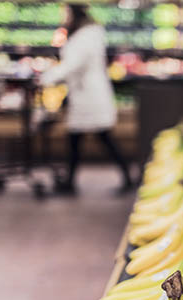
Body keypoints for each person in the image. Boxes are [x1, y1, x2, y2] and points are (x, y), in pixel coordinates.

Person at [39, 4, 134, 195]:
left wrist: (47, 77)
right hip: (84, 94)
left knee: (100, 137)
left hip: (89, 95)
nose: (63, 17)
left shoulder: (86, 36)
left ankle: (125, 177)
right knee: (78, 138)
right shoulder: (87, 34)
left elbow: (73, 65)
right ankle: (71, 181)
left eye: (65, 13)